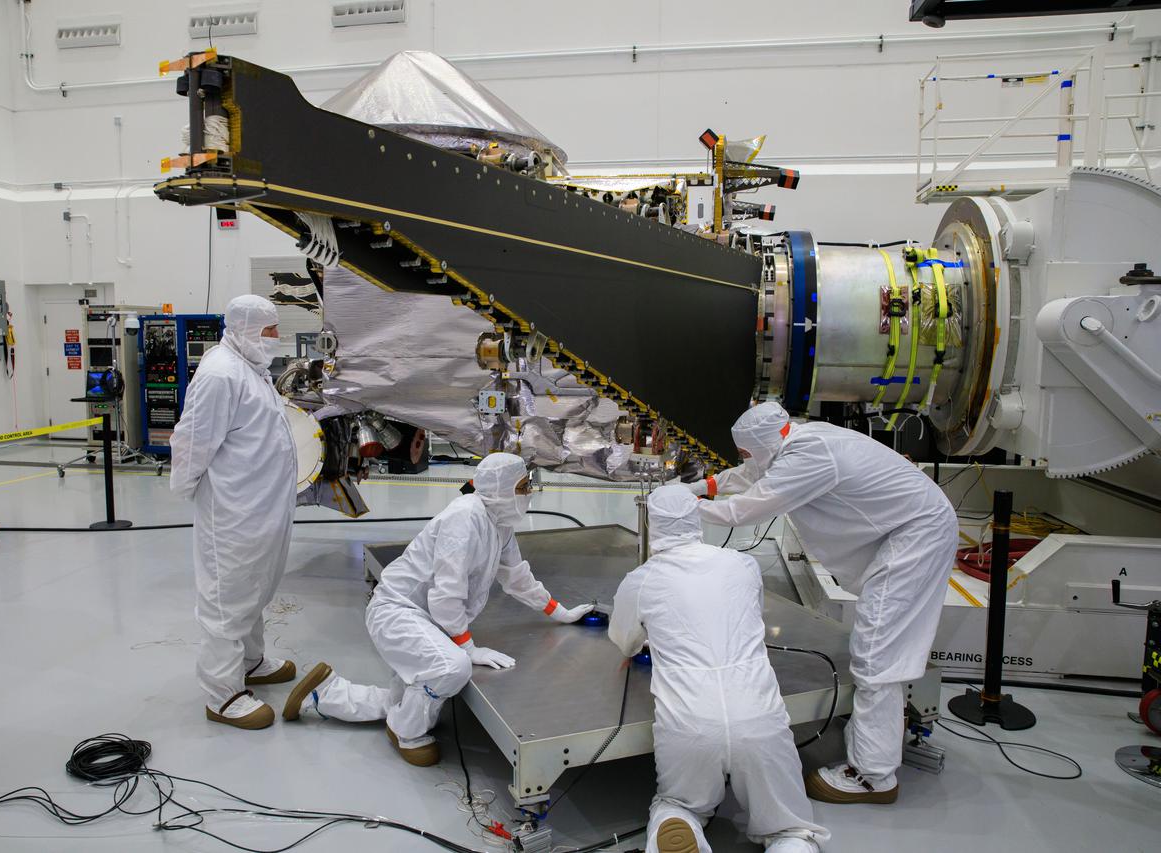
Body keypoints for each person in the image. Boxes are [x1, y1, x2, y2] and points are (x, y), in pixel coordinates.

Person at [691, 402, 957, 804]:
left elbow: (750, 507)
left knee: (877, 652)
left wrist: (684, 508)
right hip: (905, 528)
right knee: (879, 646)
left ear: (762, 443)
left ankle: (873, 776)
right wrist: (703, 486)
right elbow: (752, 473)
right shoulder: (795, 438)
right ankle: (877, 736)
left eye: (745, 451)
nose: (744, 460)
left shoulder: (810, 455)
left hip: (916, 536)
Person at [283, 453, 594, 766]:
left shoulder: (499, 522)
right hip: (396, 611)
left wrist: (559, 612)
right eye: (523, 487)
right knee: (452, 668)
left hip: (426, 618)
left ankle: (324, 694)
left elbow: (516, 576)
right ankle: (406, 733)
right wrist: (468, 647)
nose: (527, 494)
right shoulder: (465, 517)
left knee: (400, 700)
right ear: (500, 488)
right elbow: (446, 595)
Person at [609, 485, 830, 853]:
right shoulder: (741, 564)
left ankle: (678, 822)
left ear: (654, 523)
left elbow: (624, 639)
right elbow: (749, 614)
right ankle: (790, 844)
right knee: (789, 825)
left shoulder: (642, 579)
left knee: (678, 801)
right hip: (758, 717)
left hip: (690, 724)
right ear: (696, 517)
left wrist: (643, 641)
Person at [170, 294, 298, 730]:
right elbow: (193, 440)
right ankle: (222, 693)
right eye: (269, 330)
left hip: (261, 507)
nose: (275, 339)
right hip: (234, 510)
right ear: (242, 327)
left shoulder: (250, 369)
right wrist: (190, 491)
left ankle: (251, 660)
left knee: (255, 587)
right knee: (227, 597)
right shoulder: (220, 373)